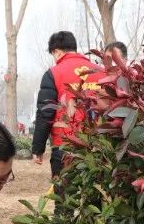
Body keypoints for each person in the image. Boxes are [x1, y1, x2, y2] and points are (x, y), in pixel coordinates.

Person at [32, 31, 105, 177]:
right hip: (98, 147)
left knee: (66, 196)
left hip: (65, 146)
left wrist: (38, 149)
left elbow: (45, 113)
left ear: (56, 51)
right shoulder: (101, 72)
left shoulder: (53, 73)